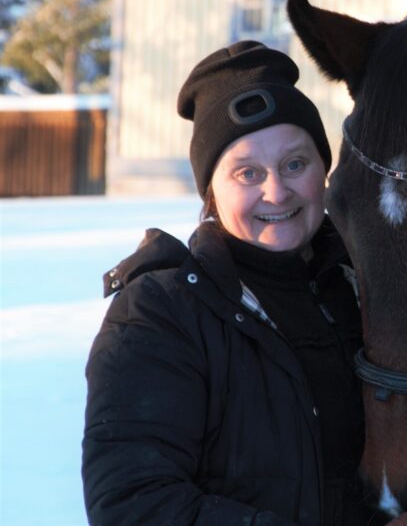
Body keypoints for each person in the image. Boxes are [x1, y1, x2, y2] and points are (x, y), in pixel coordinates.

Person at [82, 42, 369, 525]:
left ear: (325, 171)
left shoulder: (365, 293)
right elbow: (133, 504)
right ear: (211, 190)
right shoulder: (161, 312)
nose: (276, 191)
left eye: (295, 164)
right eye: (247, 172)